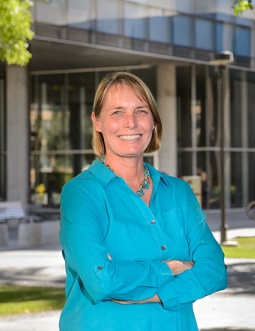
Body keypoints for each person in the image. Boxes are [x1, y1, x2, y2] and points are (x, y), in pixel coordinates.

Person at [59, 71, 227, 330]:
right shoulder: (81, 194)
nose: (131, 123)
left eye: (141, 111)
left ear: (153, 122)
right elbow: (102, 280)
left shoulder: (178, 193)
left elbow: (214, 270)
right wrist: (172, 267)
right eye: (117, 112)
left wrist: (155, 296)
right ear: (97, 122)